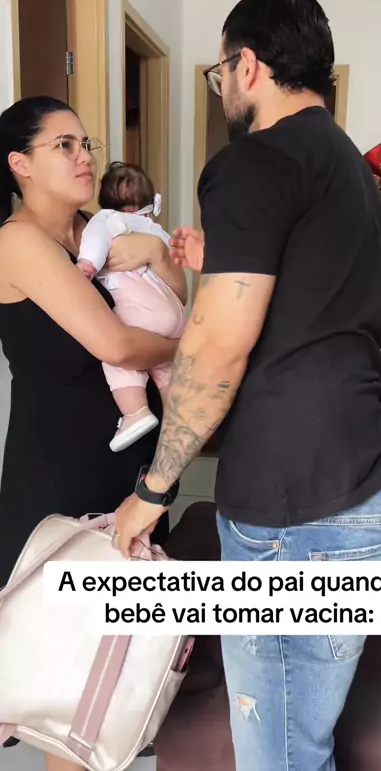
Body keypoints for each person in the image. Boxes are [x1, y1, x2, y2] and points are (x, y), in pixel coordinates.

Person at [113, 0, 381, 771]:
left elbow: (216, 349)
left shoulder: (255, 163)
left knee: (279, 754)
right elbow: (315, 303)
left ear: (246, 66)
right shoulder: (350, 170)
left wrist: (153, 489)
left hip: (298, 517)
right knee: (300, 740)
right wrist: (220, 265)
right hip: (365, 493)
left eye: (219, 73)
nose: (222, 89)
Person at [0, 96, 182, 771]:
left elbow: (170, 305)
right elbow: (117, 343)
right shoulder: (18, 242)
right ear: (19, 164)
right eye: (64, 145)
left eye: (87, 144)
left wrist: (160, 257)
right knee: (71, 690)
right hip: (62, 474)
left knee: (117, 673)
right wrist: (203, 352)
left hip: (135, 471)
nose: (85, 157)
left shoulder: (102, 230)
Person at [77, 162, 187, 452]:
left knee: (119, 358)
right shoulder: (154, 229)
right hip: (174, 313)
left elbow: (95, 240)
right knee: (166, 368)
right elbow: (175, 267)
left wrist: (87, 264)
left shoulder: (104, 219)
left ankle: (135, 413)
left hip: (143, 314)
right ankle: (177, 418)